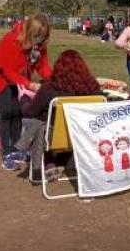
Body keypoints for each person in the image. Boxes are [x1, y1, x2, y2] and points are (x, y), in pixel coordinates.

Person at [14, 50, 101, 181]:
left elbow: (31, 111)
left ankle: (46, 161)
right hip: (83, 135)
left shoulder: (49, 88)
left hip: (54, 138)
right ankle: (60, 160)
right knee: (43, 124)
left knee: (39, 124)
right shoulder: (93, 89)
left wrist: (23, 100)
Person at [0, 14, 52, 170]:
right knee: (7, 111)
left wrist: (53, 79)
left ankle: (17, 148)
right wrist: (28, 84)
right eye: (37, 36)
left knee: (18, 112)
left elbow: (43, 67)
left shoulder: (39, 45)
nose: (40, 39)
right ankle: (6, 152)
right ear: (29, 33)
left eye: (43, 36)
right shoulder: (12, 40)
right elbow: (8, 70)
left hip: (17, 77)